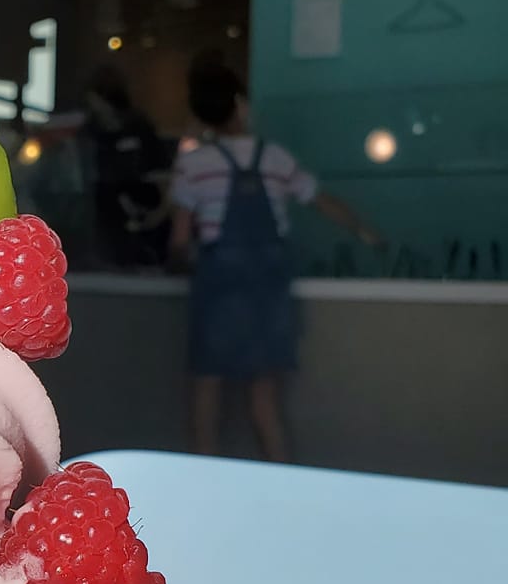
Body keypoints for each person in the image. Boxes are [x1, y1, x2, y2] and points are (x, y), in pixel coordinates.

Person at [169, 58, 381, 461]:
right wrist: (366, 232)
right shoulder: (276, 158)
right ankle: (280, 477)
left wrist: (180, 263)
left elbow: (180, 240)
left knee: (207, 390)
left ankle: (201, 478)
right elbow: (322, 201)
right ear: (240, 104)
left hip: (218, 288)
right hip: (267, 289)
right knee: (265, 400)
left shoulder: (193, 164)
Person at [80, 65, 174, 269]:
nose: (95, 106)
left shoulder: (139, 127)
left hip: (144, 212)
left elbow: (161, 174)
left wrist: (159, 213)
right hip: (103, 219)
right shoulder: (90, 132)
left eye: (97, 99)